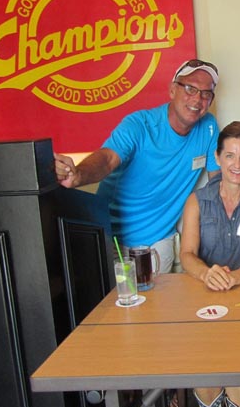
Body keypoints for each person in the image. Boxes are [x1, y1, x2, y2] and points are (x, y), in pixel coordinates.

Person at [54, 59, 221, 273]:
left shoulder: (209, 127)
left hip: (160, 242)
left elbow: (217, 182)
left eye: (206, 93)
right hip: (114, 241)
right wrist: (78, 174)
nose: (197, 99)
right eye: (190, 88)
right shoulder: (139, 125)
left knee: (162, 296)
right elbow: (107, 159)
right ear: (172, 90)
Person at [179, 121, 240, 407]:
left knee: (238, 380)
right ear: (218, 158)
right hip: (205, 301)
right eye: (230, 155)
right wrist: (205, 273)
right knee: (207, 378)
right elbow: (186, 254)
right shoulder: (197, 201)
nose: (237, 164)